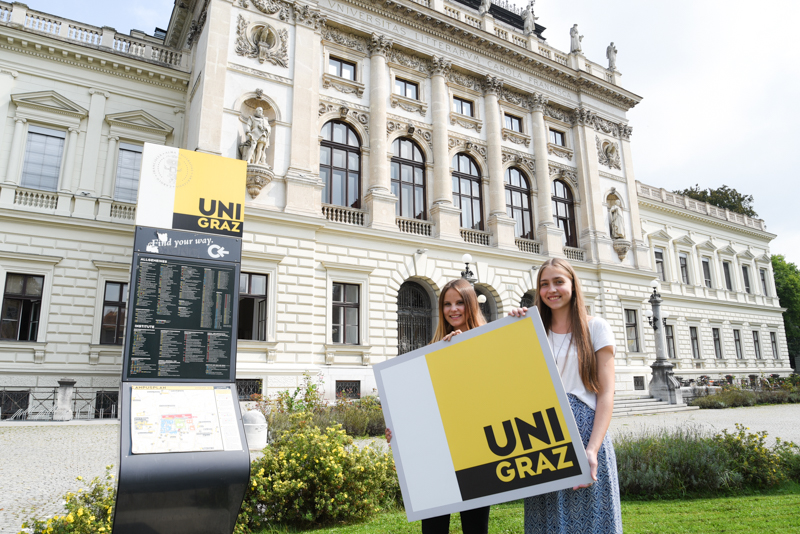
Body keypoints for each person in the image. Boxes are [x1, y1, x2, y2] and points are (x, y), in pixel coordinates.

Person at [509, 258, 622, 534]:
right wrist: (511, 330)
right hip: (543, 433)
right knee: (546, 517)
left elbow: (607, 393)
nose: (552, 289)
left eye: (559, 281)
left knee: (591, 519)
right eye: (544, 284)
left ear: (573, 284)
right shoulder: (531, 330)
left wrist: (592, 450)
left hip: (586, 432)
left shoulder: (596, 327)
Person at [385, 278, 491, 534]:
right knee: (433, 527)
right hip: (436, 451)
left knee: (475, 527)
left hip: (476, 449)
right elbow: (419, 402)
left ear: (471, 305)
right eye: (447, 303)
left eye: (459, 303)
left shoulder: (488, 344)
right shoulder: (432, 350)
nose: (452, 309)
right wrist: (397, 427)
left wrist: (466, 346)